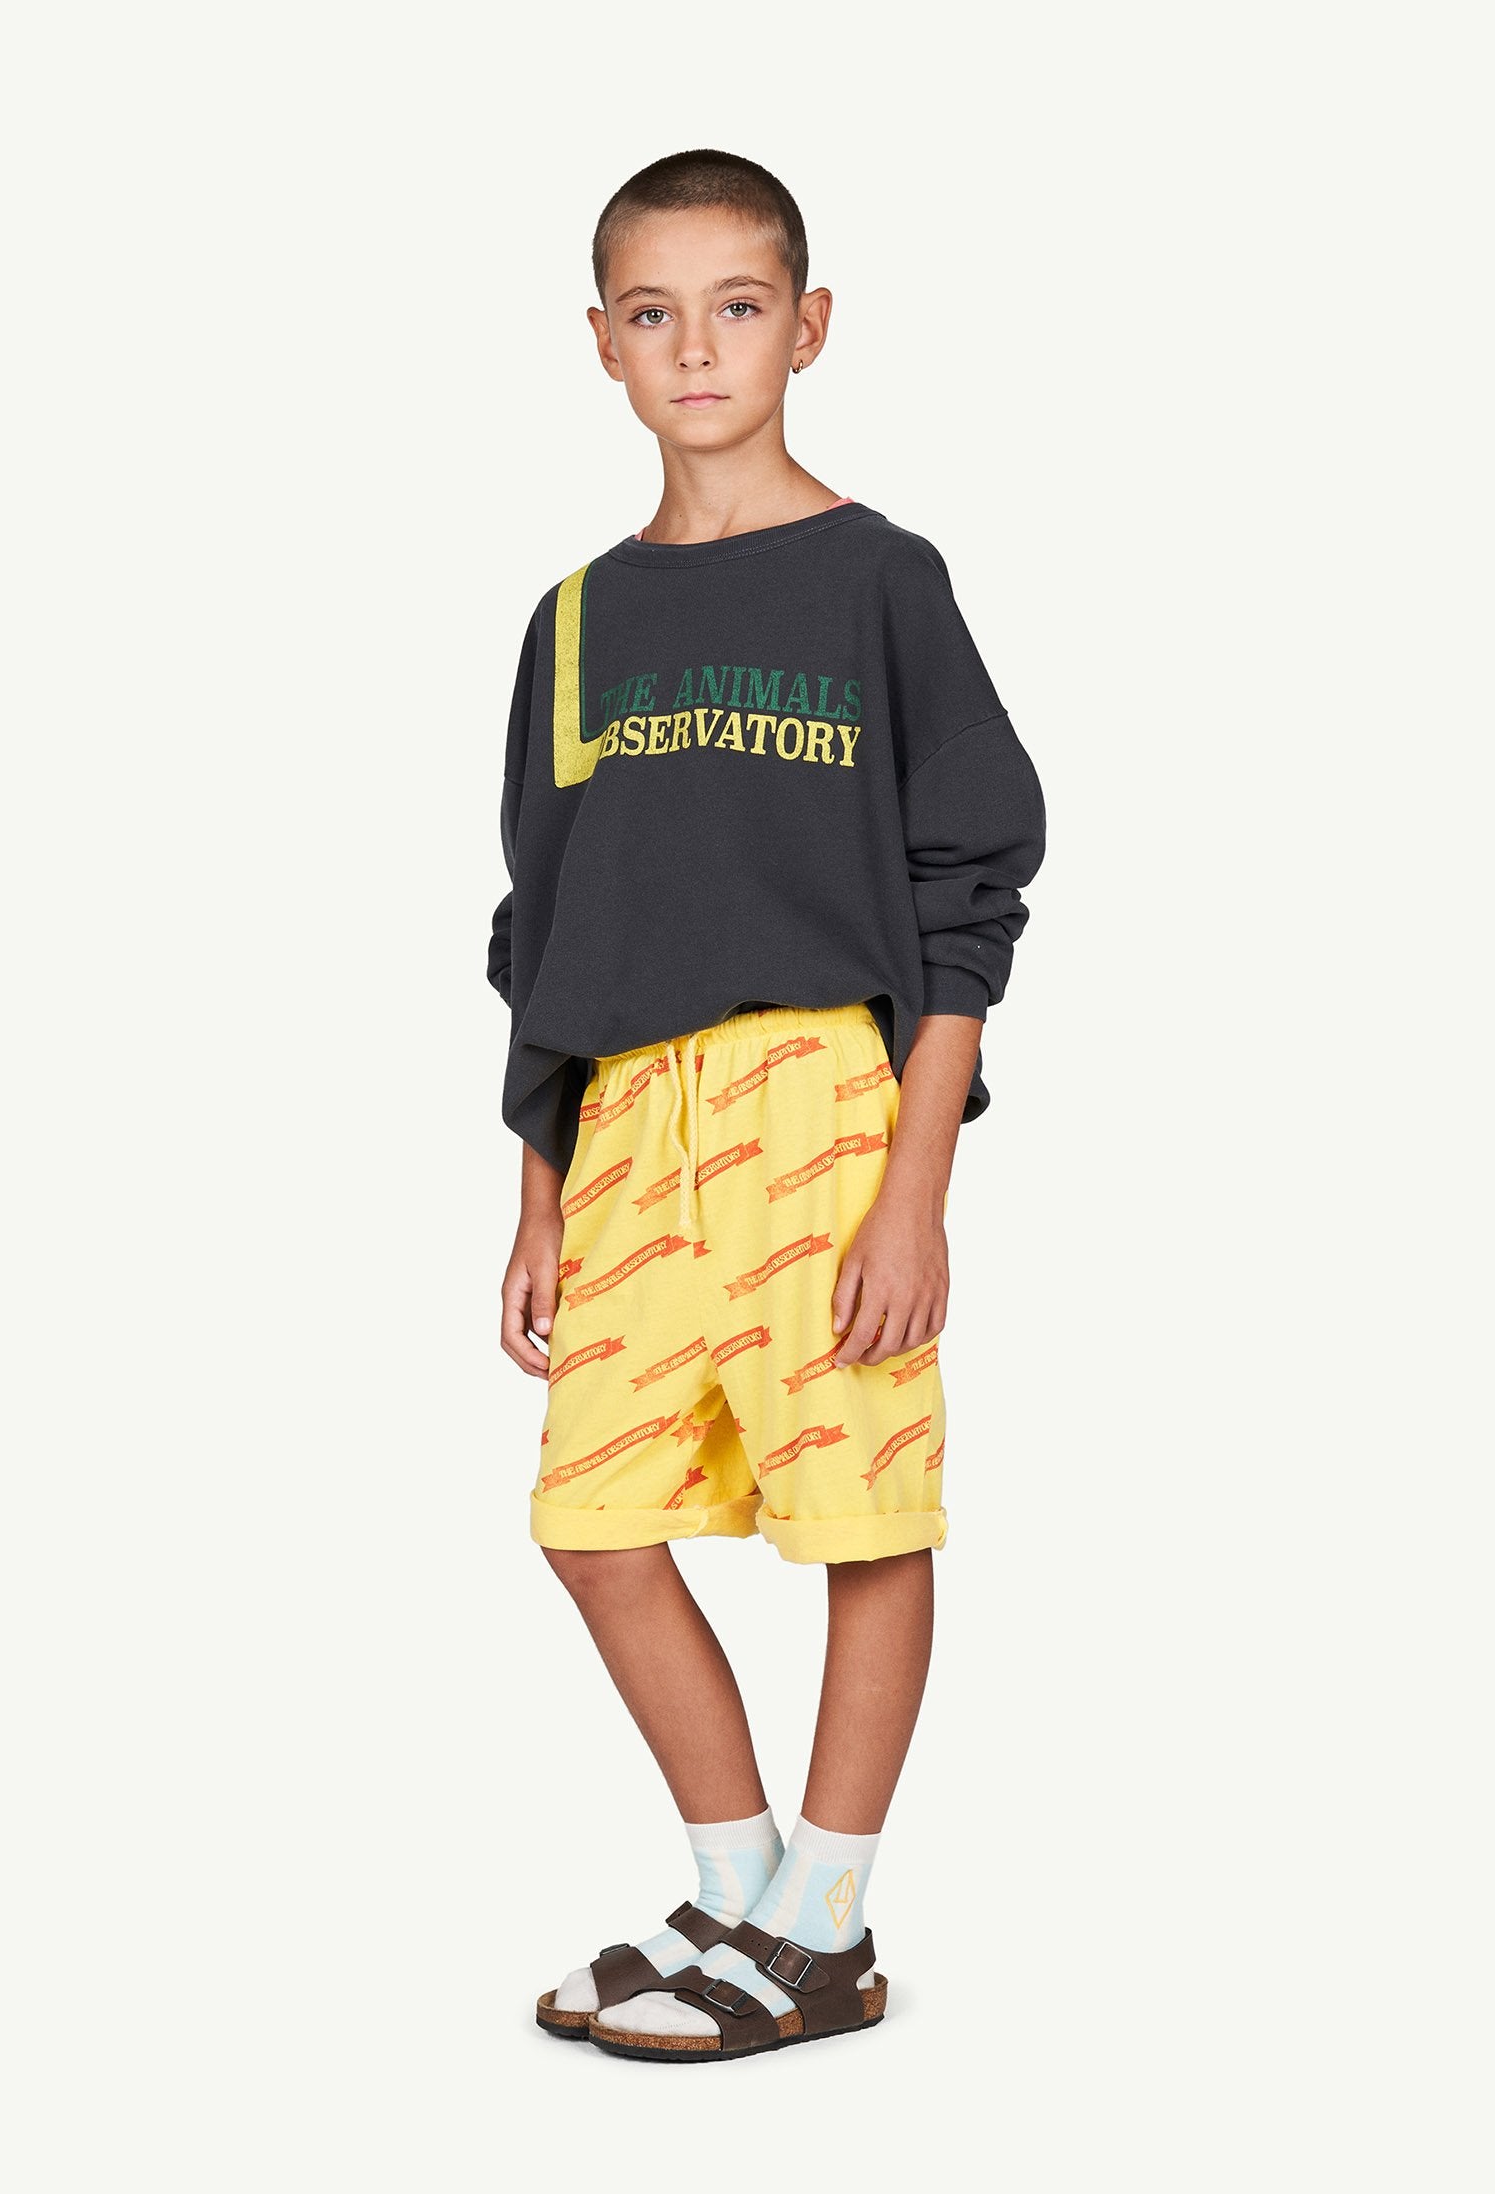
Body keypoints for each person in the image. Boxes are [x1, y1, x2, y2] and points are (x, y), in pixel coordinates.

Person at [486, 149, 1046, 2063]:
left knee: (860, 1507)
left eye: (737, 307)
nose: (697, 348)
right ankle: (740, 1890)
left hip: (826, 1104)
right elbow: (546, 918)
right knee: (593, 1516)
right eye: (653, 314)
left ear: (807, 326)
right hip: (629, 1120)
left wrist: (918, 1184)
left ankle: (826, 1922)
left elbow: (970, 882)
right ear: (602, 344)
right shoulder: (575, 619)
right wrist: (541, 1182)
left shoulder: (882, 580)